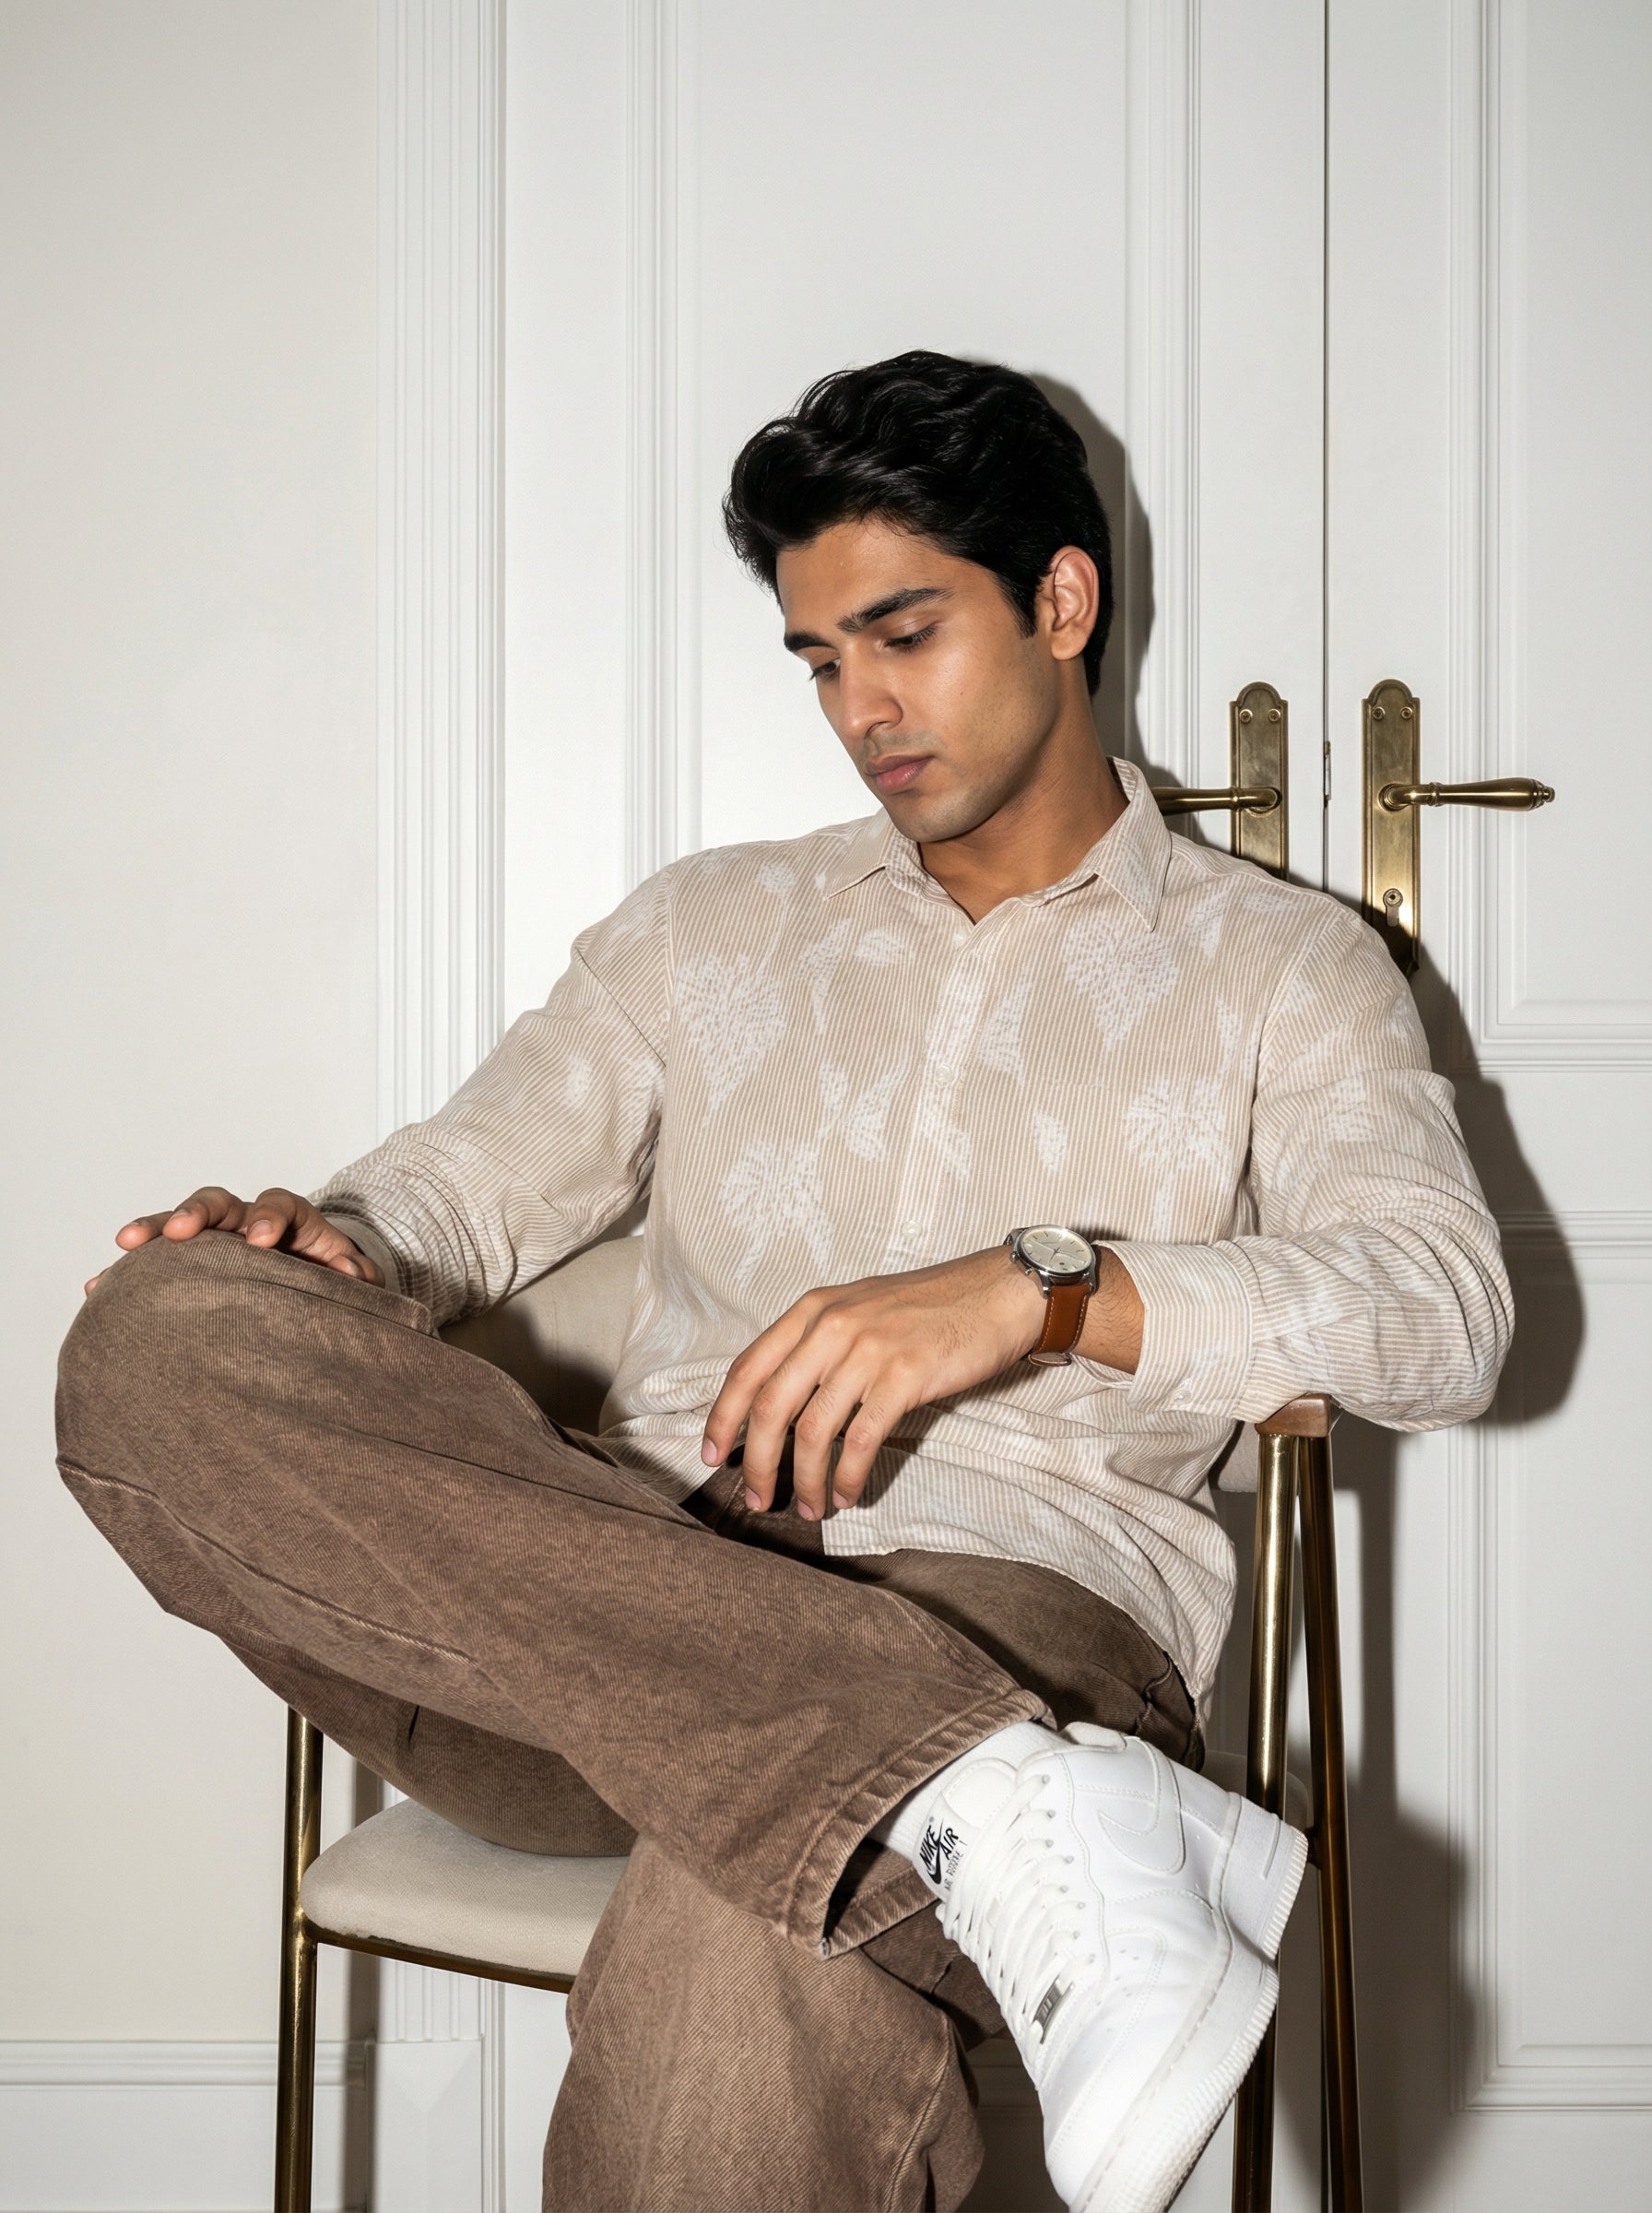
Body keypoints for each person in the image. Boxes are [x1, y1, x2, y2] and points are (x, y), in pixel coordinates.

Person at [57, 351, 1510, 2213]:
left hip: (1017, 1608)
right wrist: (331, 1250)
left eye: (903, 635)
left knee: (756, 1926)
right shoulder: (706, 924)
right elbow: (452, 1195)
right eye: (820, 660)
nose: (860, 709)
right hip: (582, 1626)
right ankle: (982, 1791)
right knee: (154, 1337)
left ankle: (941, 1779)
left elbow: (1440, 1310)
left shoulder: (1280, 967)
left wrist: (1045, 1290)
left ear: (1062, 602)